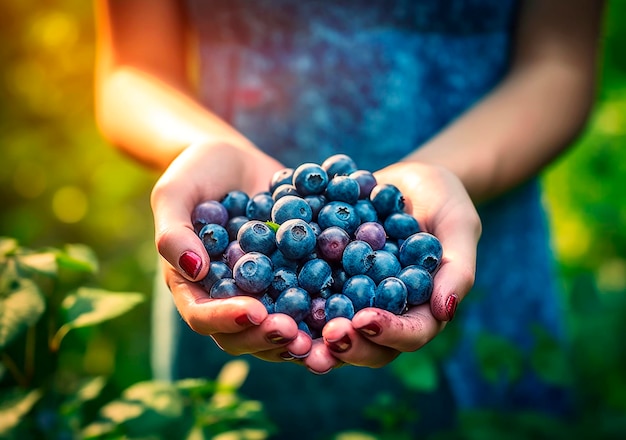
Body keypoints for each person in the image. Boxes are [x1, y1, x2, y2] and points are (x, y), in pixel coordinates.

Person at [93, 0, 605, 437]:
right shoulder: (250, 243)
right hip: (232, 241)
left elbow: (561, 65)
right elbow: (133, 72)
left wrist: (445, 171)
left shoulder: (387, 236)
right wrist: (206, 149)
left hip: (469, 232)